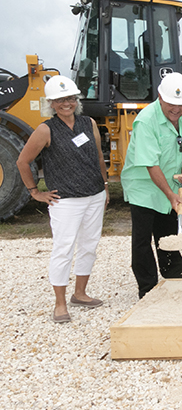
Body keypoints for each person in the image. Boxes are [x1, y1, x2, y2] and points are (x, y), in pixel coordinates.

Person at [16, 75, 109, 323]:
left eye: (69, 98)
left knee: (89, 246)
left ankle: (80, 293)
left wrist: (105, 186)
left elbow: (98, 156)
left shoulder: (88, 123)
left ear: (76, 100)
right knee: (63, 249)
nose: (66, 103)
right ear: (52, 103)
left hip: (94, 196)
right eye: (60, 100)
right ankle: (59, 304)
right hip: (65, 200)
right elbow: (23, 162)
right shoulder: (45, 130)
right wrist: (35, 191)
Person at [121, 73, 182, 298]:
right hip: (143, 184)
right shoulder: (146, 120)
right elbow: (151, 164)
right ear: (160, 98)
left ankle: (173, 275)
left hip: (170, 182)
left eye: (181, 105)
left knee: (168, 231)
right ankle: (147, 287)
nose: (177, 110)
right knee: (143, 238)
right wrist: (171, 196)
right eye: (171, 105)